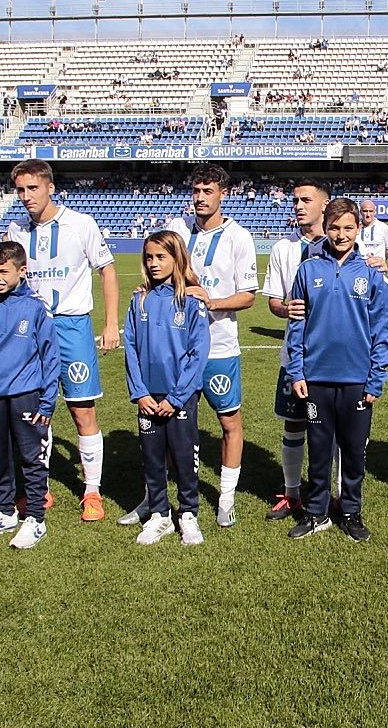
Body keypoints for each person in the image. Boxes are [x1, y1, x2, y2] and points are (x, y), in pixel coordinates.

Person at [141, 164, 258, 527]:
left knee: (229, 421)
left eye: (208, 191)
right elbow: (158, 273)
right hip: (175, 350)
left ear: (224, 193)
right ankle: (156, 498)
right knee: (165, 424)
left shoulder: (239, 237)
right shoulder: (177, 231)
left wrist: (209, 302)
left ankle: (225, 497)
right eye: (196, 191)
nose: (200, 198)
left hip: (219, 347)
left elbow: (248, 297)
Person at [5, 159, 121, 522]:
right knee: (37, 413)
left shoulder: (80, 224)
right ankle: (40, 489)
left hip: (72, 327)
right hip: (32, 330)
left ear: (50, 187)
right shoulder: (15, 229)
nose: (25, 197)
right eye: (20, 190)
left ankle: (91, 491)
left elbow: (107, 270)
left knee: (82, 410)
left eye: (32, 188)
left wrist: (111, 323)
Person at [283, 198, 388, 542]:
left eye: (348, 228)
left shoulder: (373, 275)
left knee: (354, 451)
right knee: (318, 449)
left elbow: (382, 333)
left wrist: (376, 379)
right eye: (334, 227)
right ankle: (316, 513)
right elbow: (297, 327)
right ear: (325, 228)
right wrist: (297, 372)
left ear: (358, 229)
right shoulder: (308, 270)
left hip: (357, 380)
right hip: (316, 378)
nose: (341, 234)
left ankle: (350, 510)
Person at [0, 241, 61, 551]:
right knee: (0, 456)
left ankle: (35, 517)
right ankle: (3, 511)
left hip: (25, 395)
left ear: (22, 271)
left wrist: (47, 400)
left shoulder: (35, 306)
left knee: (30, 457)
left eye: (3, 271)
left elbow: (50, 356)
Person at [125, 231, 212, 546]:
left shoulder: (190, 301)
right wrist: (141, 393)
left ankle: (188, 512)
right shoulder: (139, 300)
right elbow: (131, 349)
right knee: (152, 457)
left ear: (177, 259)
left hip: (181, 397)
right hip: (148, 396)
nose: (154, 263)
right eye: (149, 257)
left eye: (161, 257)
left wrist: (176, 398)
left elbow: (198, 352)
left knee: (184, 454)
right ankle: (159, 514)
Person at [260, 179, 331, 519]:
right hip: (295, 354)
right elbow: (274, 301)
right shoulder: (282, 249)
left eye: (306, 200)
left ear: (325, 205)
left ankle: (334, 495)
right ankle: (291, 493)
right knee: (293, 423)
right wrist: (286, 309)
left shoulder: (343, 246)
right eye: (295, 200)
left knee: (332, 429)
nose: (299, 206)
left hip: (333, 356)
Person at [355, 198, 388, 270]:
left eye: (371, 211)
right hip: (358, 269)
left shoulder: (384, 228)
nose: (368, 214)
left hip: (377, 269)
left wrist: (379, 260)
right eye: (365, 211)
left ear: (375, 212)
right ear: (360, 212)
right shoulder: (354, 228)